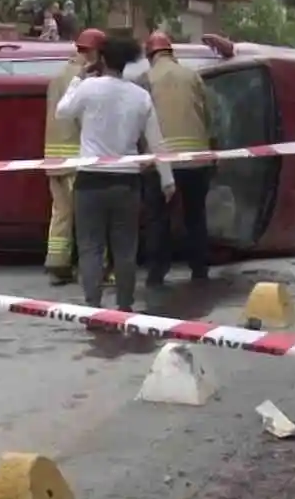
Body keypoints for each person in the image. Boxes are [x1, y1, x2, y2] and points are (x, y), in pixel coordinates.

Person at [55, 35, 174, 311]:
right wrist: (167, 179)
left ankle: (93, 305)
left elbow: (62, 112)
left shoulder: (89, 88)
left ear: (103, 59)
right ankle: (124, 306)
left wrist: (78, 79)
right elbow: (157, 142)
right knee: (125, 249)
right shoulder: (140, 96)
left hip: (91, 179)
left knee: (90, 247)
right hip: (127, 182)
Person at [140, 31, 214, 287]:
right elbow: (209, 114)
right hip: (196, 159)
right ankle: (200, 269)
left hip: (161, 161)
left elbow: (142, 122)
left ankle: (157, 272)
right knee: (196, 215)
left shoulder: (146, 78)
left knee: (158, 218)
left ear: (150, 55)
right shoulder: (193, 76)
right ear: (171, 52)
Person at [43, 28, 106, 285]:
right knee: (87, 214)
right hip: (76, 158)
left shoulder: (57, 76)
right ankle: (94, 268)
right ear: (95, 52)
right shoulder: (87, 78)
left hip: (52, 157)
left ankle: (57, 262)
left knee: (61, 212)